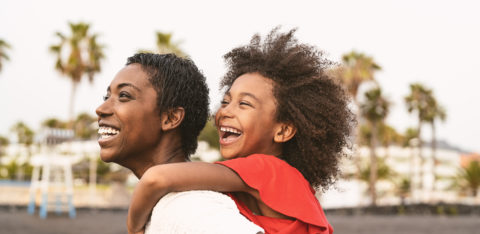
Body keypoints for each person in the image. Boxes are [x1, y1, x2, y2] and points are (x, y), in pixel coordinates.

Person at [128, 28, 355, 234]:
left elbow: (156, 179)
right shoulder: (285, 179)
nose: (225, 111)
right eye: (225, 101)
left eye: (244, 104)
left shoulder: (266, 169)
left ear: (283, 130)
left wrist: (135, 227)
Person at [95, 53, 264, 234]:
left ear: (170, 118)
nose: (101, 109)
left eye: (124, 95)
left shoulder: (190, 209)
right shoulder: (170, 206)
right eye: (106, 97)